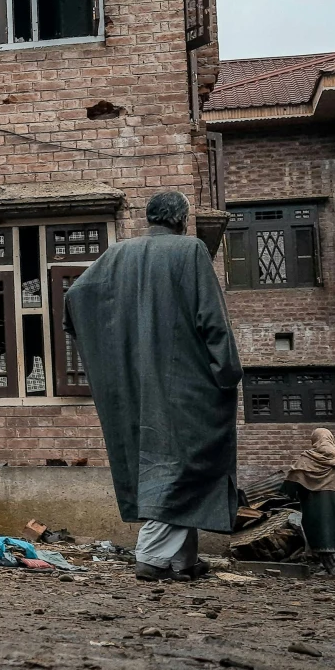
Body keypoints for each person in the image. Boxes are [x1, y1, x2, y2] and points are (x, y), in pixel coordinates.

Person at [61, 190, 242, 581]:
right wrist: (227, 371)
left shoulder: (117, 254)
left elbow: (76, 294)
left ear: (150, 218)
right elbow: (212, 320)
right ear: (181, 219)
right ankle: (152, 556)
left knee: (178, 463)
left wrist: (103, 348)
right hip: (187, 382)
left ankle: (184, 561)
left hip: (136, 385)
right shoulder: (190, 251)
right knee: (186, 464)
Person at [283, 427, 335, 579]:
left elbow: (289, 487)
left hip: (317, 511)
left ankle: (334, 572)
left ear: (314, 441)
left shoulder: (304, 461)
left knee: (322, 537)